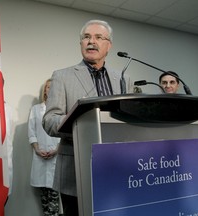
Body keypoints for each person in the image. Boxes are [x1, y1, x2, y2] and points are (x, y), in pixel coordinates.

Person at [42, 20, 133, 215]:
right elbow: (49, 121)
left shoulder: (123, 78)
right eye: (86, 37)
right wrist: (77, 121)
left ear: (109, 45)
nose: (91, 41)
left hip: (116, 169)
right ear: (81, 43)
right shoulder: (62, 76)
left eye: (99, 37)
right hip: (76, 171)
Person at [28, 79, 61, 216]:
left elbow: (64, 133)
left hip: (56, 156)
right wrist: (37, 149)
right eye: (48, 87)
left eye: (53, 87)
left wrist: (57, 150)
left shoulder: (61, 110)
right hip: (40, 156)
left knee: (54, 199)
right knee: (44, 199)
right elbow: (31, 131)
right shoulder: (36, 109)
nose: (50, 89)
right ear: (45, 90)